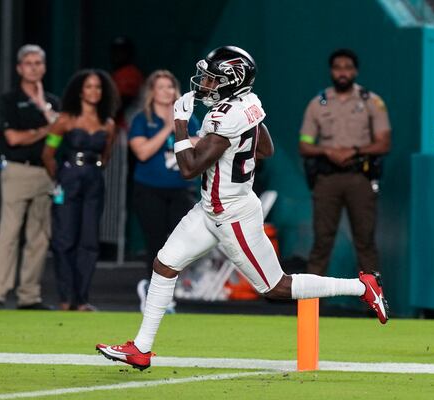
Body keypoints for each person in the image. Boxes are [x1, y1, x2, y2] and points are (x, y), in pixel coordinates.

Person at [96, 46, 389, 370]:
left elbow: (189, 168)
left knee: (276, 286)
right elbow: (266, 147)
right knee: (164, 264)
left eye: (212, 78)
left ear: (231, 81)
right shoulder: (247, 103)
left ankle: (362, 286)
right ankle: (141, 348)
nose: (205, 83)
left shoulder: (226, 116)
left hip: (231, 213)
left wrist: (179, 125)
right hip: (212, 207)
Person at [299, 49, 391, 277]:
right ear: (331, 71)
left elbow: (384, 143)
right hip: (326, 178)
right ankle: (310, 304)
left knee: (365, 242)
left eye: (347, 68)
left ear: (355, 71)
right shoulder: (318, 103)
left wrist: (355, 150)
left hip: (359, 176)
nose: (343, 72)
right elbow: (305, 144)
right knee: (321, 241)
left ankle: (374, 306)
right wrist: (327, 150)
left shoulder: (371, 101)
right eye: (338, 68)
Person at [0, 45, 59, 310]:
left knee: (39, 236)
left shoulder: (52, 100)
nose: (33, 67)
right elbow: (13, 138)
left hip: (45, 171)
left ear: (44, 66)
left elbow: (59, 132)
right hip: (17, 170)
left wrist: (43, 109)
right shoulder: (9, 99)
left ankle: (29, 295)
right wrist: (44, 129)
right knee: (9, 232)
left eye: (38, 62)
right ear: (19, 68)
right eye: (28, 63)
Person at [42, 69, 119, 311]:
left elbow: (106, 156)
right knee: (65, 239)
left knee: (89, 240)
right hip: (68, 178)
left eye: (97, 87)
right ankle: (66, 298)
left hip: (94, 179)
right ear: (79, 91)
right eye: (88, 87)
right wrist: (61, 177)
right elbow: (48, 154)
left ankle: (82, 299)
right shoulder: (64, 120)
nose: (94, 91)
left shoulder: (108, 124)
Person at [129, 70, 200, 281]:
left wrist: (181, 127)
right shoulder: (142, 119)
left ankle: (181, 285)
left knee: (184, 240)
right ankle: (154, 287)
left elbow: (202, 143)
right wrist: (170, 127)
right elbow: (142, 152)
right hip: (149, 188)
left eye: (170, 86)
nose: (167, 91)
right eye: (161, 87)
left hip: (181, 188)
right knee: (155, 241)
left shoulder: (188, 118)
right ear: (152, 91)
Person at [110, 36, 144, 130]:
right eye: (115, 51)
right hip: (122, 125)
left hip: (128, 124)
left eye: (122, 51)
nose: (118, 55)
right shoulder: (118, 73)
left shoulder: (131, 73)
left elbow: (124, 100)